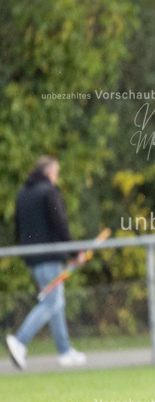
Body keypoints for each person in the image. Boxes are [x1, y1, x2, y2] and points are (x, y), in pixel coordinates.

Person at [5, 156, 88, 370]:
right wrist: (75, 252)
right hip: (49, 258)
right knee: (52, 303)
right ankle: (19, 341)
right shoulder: (49, 192)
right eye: (56, 172)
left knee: (56, 302)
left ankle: (65, 351)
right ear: (49, 172)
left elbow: (18, 229)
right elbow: (60, 224)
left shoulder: (23, 194)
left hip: (33, 258)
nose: (57, 177)